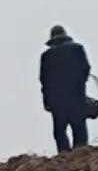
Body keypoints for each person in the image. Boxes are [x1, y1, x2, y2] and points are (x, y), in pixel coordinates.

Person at [39, 25, 93, 154]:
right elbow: (86, 68)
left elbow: (44, 80)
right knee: (79, 128)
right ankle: (80, 154)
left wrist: (47, 102)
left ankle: (64, 158)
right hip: (77, 96)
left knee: (60, 131)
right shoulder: (78, 49)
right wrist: (80, 84)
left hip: (57, 101)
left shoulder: (47, 56)